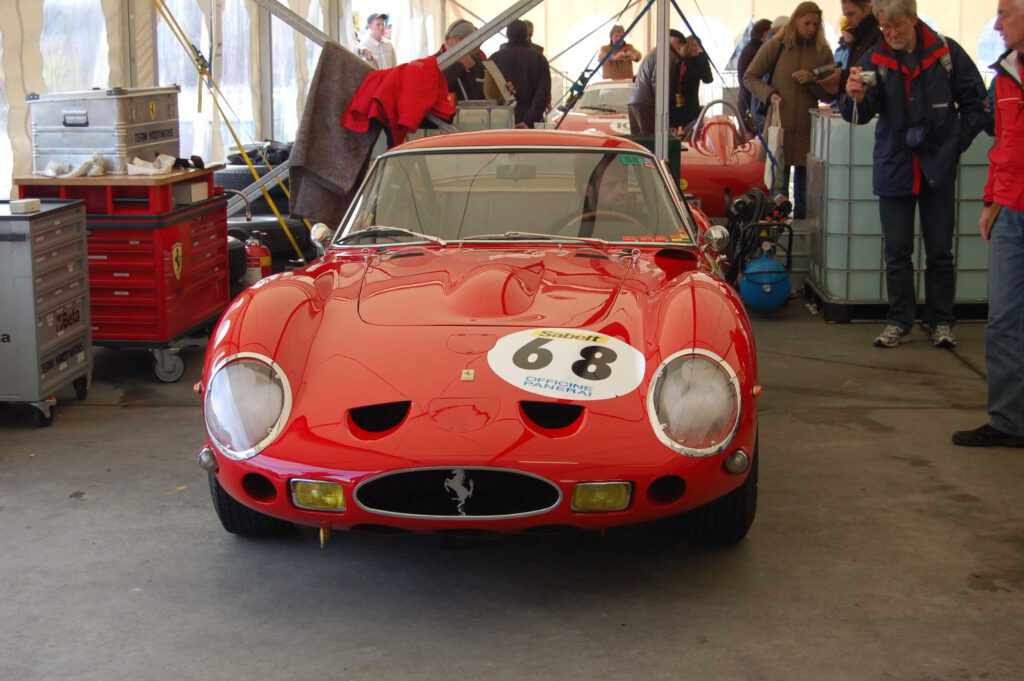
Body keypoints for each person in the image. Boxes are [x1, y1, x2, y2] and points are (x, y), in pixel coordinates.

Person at [841, 0, 986, 349]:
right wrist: (853, 97)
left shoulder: (947, 54)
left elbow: (977, 105)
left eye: (898, 26)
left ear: (914, 19)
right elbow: (857, 115)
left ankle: (941, 322)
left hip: (937, 167)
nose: (891, 34)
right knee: (897, 251)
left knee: (939, 251)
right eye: (885, 27)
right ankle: (899, 321)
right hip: (895, 166)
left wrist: (953, 144)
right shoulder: (874, 59)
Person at [952, 0, 1024, 447]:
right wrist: (989, 202)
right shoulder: (1002, 79)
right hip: (1011, 212)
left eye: (1007, 12)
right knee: (1003, 321)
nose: (997, 23)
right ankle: (1008, 422)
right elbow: (1004, 148)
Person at [742, 2, 838, 218]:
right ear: (796, 21)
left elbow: (830, 94)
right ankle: (776, 235)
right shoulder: (776, 45)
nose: (811, 28)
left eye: (815, 24)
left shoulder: (823, 51)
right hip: (779, 128)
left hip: (808, 131)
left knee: (806, 194)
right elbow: (750, 77)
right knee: (778, 190)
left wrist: (812, 79)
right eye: (807, 23)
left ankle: (802, 238)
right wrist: (769, 93)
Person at [488, 19, 551, 128]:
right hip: (531, 124)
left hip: (500, 122)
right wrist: (529, 121)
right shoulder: (539, 59)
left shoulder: (494, 59)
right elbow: (542, 94)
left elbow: (488, 93)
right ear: (528, 35)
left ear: (507, 35)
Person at [628, 30, 685, 135]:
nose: (681, 45)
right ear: (669, 39)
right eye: (679, 41)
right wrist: (661, 104)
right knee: (651, 142)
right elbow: (658, 80)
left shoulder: (656, 51)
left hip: (636, 100)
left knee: (639, 144)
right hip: (647, 103)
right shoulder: (667, 54)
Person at [836, 0, 882, 94]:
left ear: (866, 8)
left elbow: (877, 79)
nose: (847, 21)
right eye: (846, 16)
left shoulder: (878, 39)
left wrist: (841, 77)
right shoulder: (857, 40)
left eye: (851, 14)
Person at [672, 34, 714, 132]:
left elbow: (707, 79)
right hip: (685, 104)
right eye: (694, 45)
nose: (697, 48)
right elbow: (707, 78)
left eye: (698, 46)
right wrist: (702, 57)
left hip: (686, 102)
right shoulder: (689, 62)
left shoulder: (685, 61)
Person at [436, 19, 486, 101]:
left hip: (475, 113)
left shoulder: (477, 62)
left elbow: (486, 95)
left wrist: (501, 91)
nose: (464, 45)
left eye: (470, 41)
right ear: (447, 40)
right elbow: (432, 89)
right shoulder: (434, 62)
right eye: (460, 39)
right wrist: (459, 66)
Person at [738, 19, 774, 126]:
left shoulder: (749, 48)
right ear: (765, 34)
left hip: (746, 101)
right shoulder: (758, 52)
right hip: (752, 104)